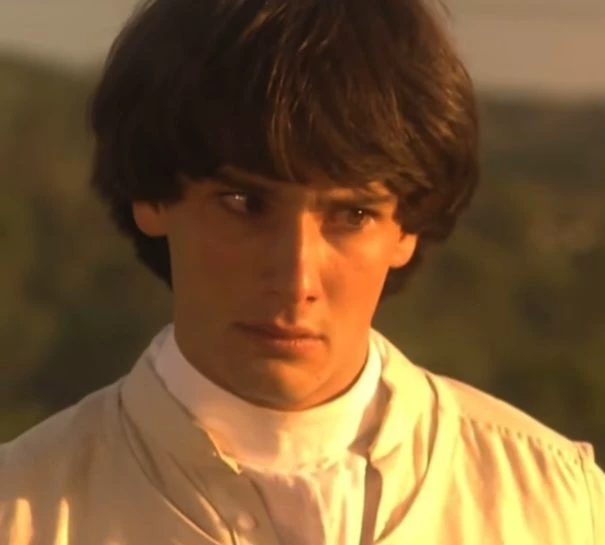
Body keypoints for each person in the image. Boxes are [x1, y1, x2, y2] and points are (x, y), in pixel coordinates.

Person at [1, 0, 603, 543]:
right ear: (153, 196)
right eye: (245, 204)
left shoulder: (558, 507)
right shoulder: (21, 512)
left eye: (353, 215)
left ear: (407, 227)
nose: (295, 279)